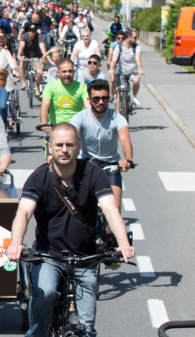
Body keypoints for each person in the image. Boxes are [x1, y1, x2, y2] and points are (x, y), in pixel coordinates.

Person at [5, 123, 135, 337]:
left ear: (78, 147)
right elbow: (23, 214)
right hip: (50, 255)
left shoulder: (93, 174)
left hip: (86, 258)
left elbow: (110, 209)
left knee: (87, 331)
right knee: (46, 291)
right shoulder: (40, 177)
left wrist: (122, 242)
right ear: (50, 147)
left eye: (70, 145)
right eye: (59, 145)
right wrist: (15, 242)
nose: (64, 150)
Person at [70, 79, 133, 209]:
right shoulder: (79, 118)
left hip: (111, 167)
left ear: (109, 99)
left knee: (114, 208)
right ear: (89, 100)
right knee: (80, 206)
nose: (100, 102)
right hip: (86, 165)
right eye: (96, 99)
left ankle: (111, 230)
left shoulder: (118, 118)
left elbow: (125, 139)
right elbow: (73, 139)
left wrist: (128, 158)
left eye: (104, 99)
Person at [41, 58, 89, 132]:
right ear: (58, 72)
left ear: (74, 72)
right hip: (55, 128)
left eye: (70, 71)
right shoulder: (50, 86)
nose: (67, 74)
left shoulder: (82, 87)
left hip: (76, 129)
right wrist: (44, 124)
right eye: (64, 71)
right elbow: (45, 105)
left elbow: (88, 106)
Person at [109, 29, 143, 108]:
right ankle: (118, 114)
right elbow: (114, 60)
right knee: (119, 93)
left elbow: (138, 59)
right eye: (134, 38)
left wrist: (140, 69)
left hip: (132, 71)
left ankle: (134, 97)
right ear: (129, 37)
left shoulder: (136, 47)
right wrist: (111, 69)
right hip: (121, 71)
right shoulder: (119, 48)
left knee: (136, 80)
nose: (136, 39)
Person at [17, 24, 47, 97]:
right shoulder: (25, 36)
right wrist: (19, 55)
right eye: (30, 30)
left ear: (36, 32)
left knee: (39, 73)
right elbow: (22, 45)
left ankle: (37, 88)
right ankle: (24, 84)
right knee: (22, 65)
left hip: (36, 57)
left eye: (33, 31)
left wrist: (44, 56)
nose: (31, 32)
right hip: (26, 56)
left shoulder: (39, 36)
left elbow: (42, 46)